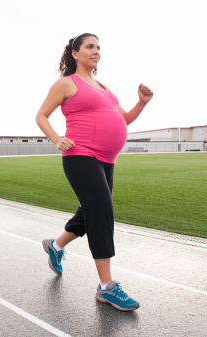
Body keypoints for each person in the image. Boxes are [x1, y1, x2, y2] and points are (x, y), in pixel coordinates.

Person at [35, 33, 153, 311]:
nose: (96, 51)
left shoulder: (104, 87)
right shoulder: (66, 83)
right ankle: (107, 287)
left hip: (106, 159)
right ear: (75, 53)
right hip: (80, 155)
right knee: (101, 212)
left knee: (90, 212)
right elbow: (41, 115)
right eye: (90, 46)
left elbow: (124, 119)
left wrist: (142, 102)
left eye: (99, 47)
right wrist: (56, 138)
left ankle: (56, 245)